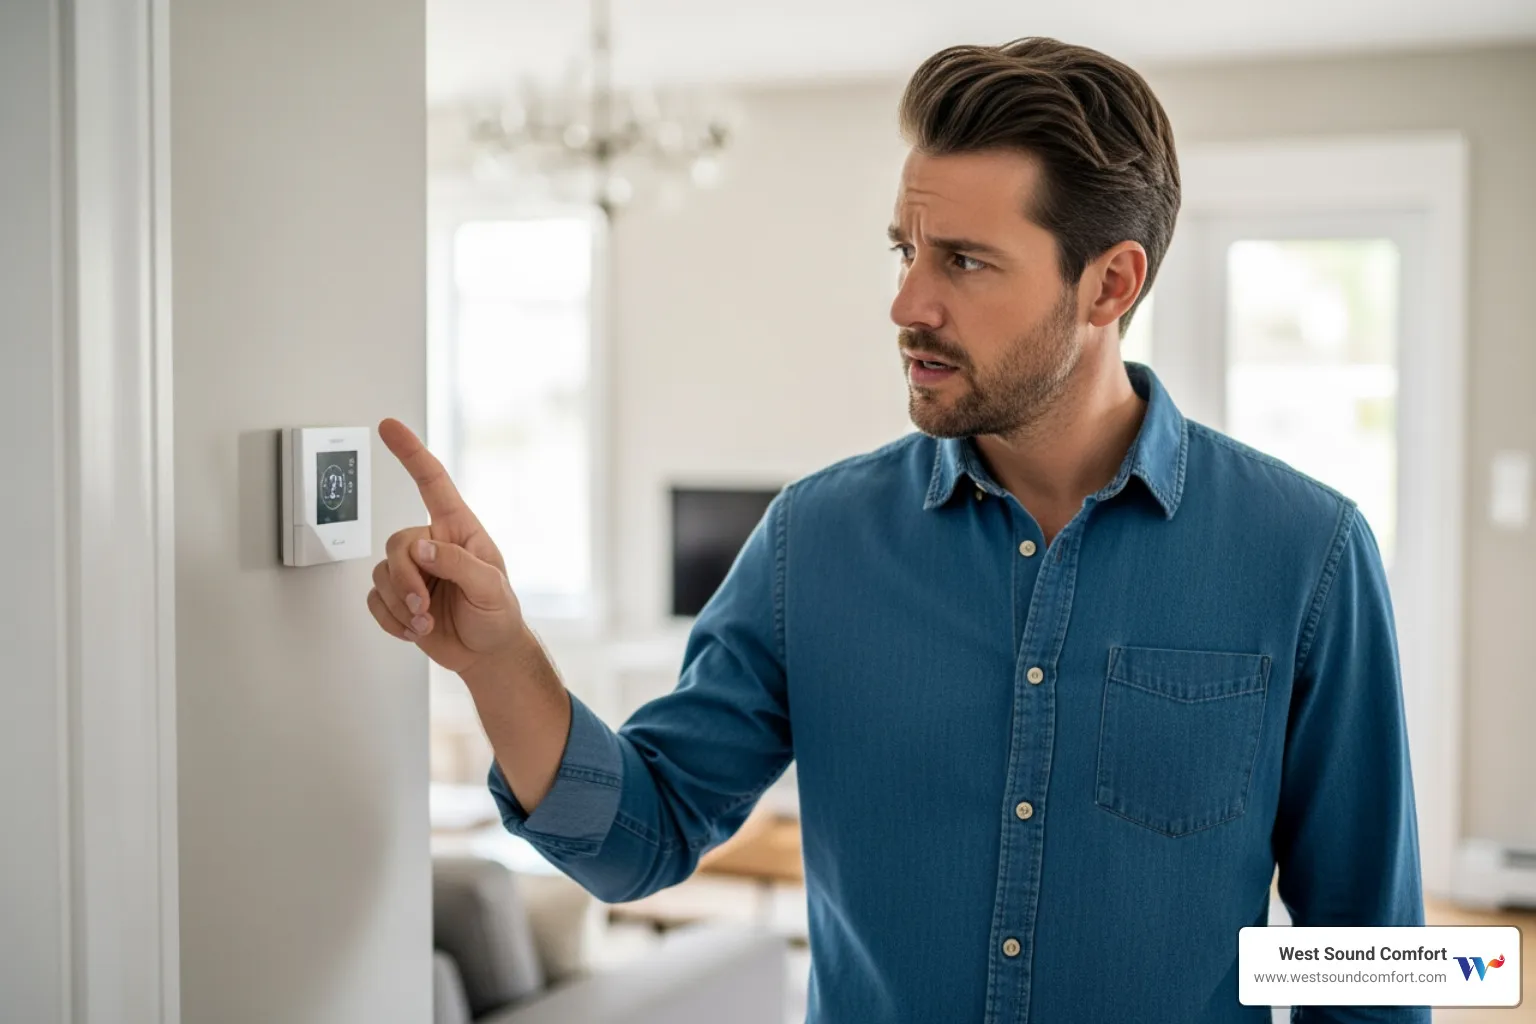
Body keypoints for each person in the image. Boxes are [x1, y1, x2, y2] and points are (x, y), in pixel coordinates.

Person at [368, 36, 1427, 1024]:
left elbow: (1365, 949)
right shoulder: (814, 543)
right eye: (904, 249)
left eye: (964, 261)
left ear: (1110, 282)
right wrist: (499, 659)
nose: (907, 302)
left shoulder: (1307, 554)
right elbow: (640, 837)